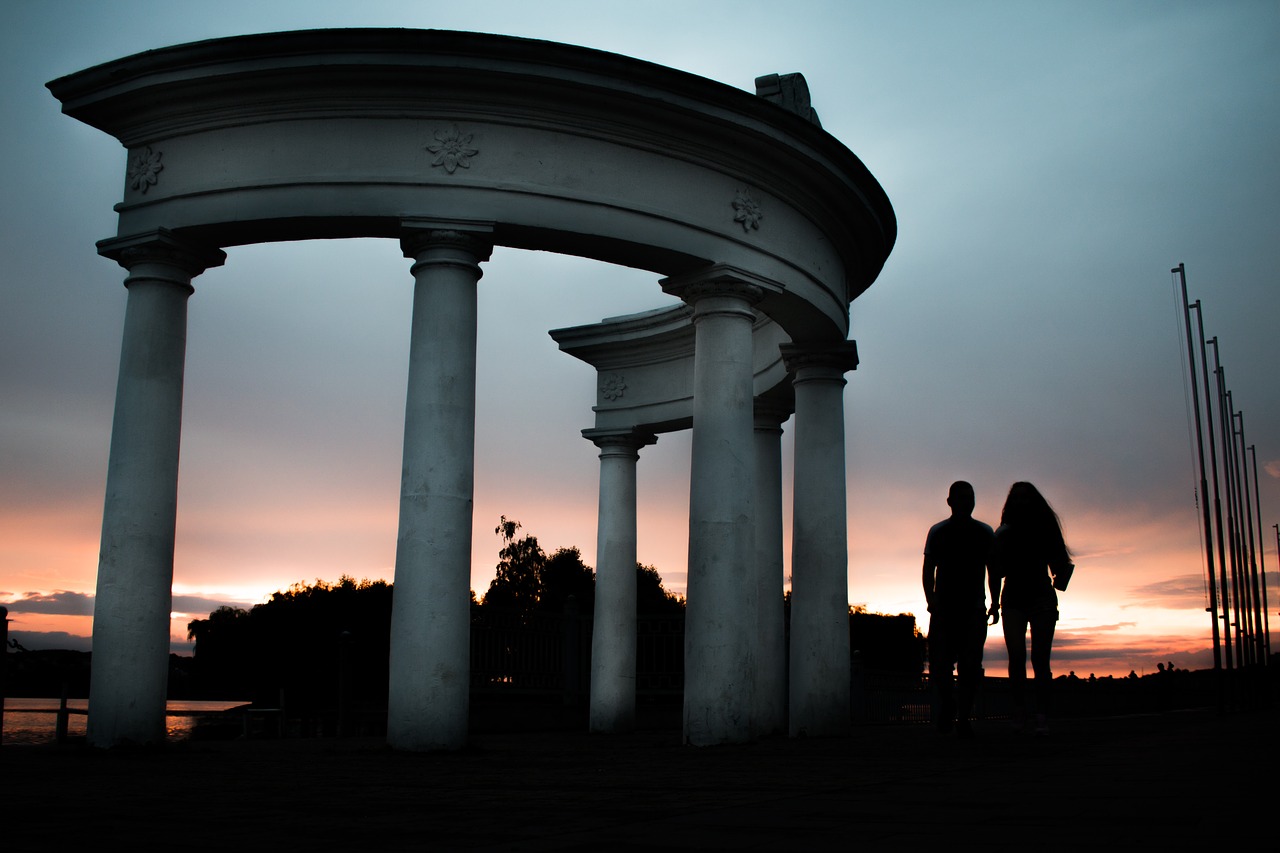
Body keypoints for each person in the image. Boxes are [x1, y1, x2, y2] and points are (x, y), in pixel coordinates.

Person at [989, 481, 1073, 735]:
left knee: (1039, 659)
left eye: (1025, 498)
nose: (1021, 502)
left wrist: (1061, 576)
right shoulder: (1003, 533)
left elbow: (1060, 563)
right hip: (1013, 596)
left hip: (1041, 597)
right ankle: (1020, 711)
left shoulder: (1045, 529)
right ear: (1011, 503)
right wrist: (994, 602)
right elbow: (995, 570)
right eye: (1018, 498)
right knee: (1017, 657)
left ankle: (1040, 715)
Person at [922, 481, 997, 737]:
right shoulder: (938, 532)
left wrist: (994, 602)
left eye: (970, 497)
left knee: (970, 664)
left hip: (974, 609)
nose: (967, 502)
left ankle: (962, 716)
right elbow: (928, 570)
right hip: (943, 609)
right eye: (963, 497)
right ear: (950, 501)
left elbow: (993, 571)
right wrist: (931, 600)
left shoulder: (986, 533)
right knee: (940, 665)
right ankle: (949, 706)